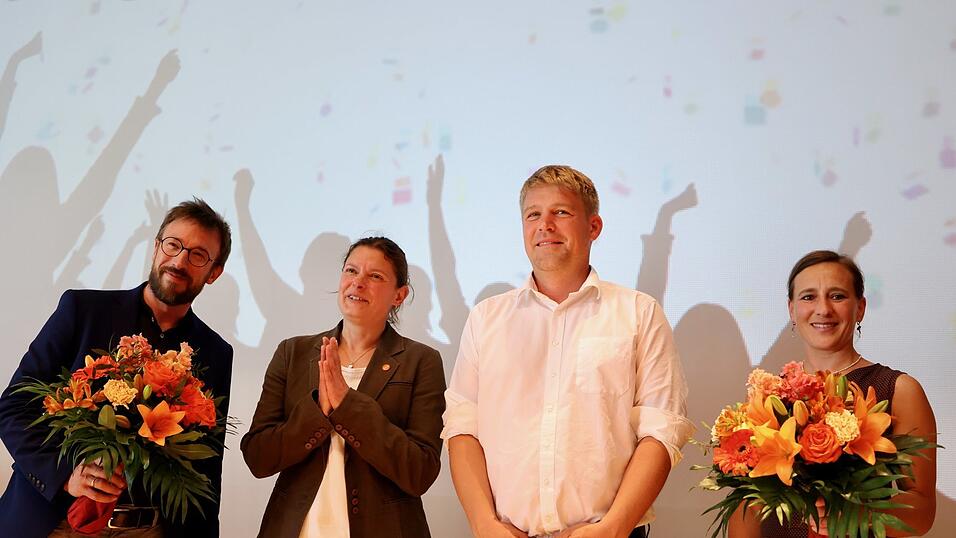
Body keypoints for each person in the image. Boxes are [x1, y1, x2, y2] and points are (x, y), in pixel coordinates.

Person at [443, 165, 695, 538]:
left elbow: (661, 431)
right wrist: (483, 524)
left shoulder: (639, 313)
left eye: (560, 212)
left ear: (594, 227)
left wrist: (614, 527)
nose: (545, 225)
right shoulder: (486, 318)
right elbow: (462, 428)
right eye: (533, 214)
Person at [0, 198, 234, 537]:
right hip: (56, 521)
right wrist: (65, 475)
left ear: (214, 273)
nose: (179, 261)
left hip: (148, 530)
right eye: (173, 244)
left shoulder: (216, 352)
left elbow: (207, 469)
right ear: (156, 247)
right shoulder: (82, 309)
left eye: (198, 255)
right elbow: (14, 406)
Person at [241, 237, 446, 538]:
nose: (358, 283)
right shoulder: (292, 353)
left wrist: (347, 406)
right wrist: (317, 411)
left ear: (399, 295)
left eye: (375, 276)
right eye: (351, 271)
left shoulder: (421, 361)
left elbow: (420, 472)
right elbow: (258, 457)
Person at [729, 250, 937, 537]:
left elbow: (923, 511)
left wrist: (858, 515)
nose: (823, 309)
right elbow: (747, 502)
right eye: (808, 297)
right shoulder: (768, 396)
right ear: (792, 309)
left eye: (837, 296)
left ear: (860, 308)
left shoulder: (898, 389)